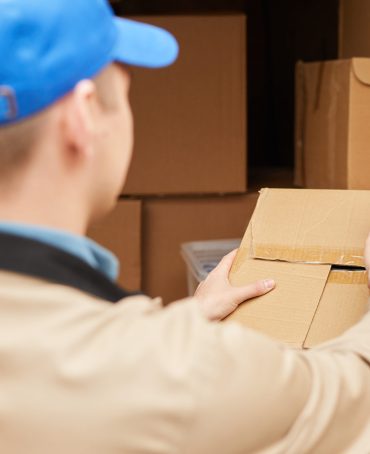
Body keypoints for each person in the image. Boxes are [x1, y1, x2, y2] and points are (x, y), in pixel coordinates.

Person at [0, 0, 369, 452]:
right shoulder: (167, 372)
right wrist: (178, 344)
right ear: (85, 115)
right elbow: (350, 400)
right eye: (126, 91)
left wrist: (183, 320)